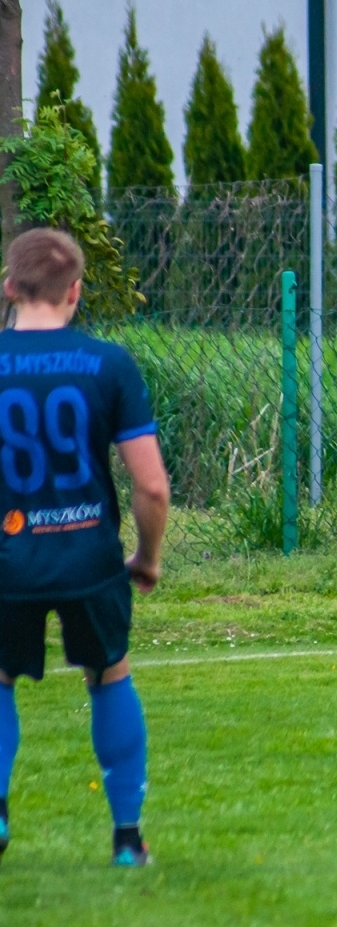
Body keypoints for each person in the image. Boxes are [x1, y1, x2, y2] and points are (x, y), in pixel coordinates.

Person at [0, 229, 170, 866]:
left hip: (6, 562)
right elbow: (150, 486)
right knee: (109, 675)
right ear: (76, 291)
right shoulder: (108, 364)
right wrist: (146, 559)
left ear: (10, 287)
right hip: (89, 558)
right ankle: (128, 839)